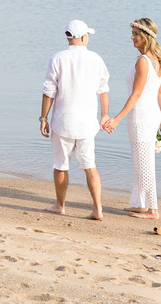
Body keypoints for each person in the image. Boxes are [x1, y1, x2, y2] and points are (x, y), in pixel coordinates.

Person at [40, 19, 110, 220]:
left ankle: (60, 205)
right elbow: (103, 90)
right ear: (83, 37)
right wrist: (104, 115)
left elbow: (49, 91)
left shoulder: (57, 58)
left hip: (62, 122)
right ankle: (97, 209)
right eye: (87, 35)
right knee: (90, 165)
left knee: (60, 165)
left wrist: (43, 117)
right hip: (87, 124)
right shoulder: (95, 59)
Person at [102, 17, 161, 220]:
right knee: (140, 160)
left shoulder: (143, 61)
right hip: (152, 114)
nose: (132, 37)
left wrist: (116, 119)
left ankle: (153, 210)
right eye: (132, 33)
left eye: (136, 34)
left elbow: (137, 93)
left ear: (146, 36)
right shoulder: (159, 60)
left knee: (144, 163)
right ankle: (140, 204)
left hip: (141, 116)